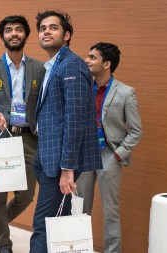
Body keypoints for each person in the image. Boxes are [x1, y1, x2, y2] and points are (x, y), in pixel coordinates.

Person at [30, 11, 103, 253]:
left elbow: (76, 119)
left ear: (67, 34)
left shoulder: (73, 65)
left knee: (43, 225)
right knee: (55, 222)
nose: (46, 32)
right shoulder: (51, 66)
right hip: (47, 156)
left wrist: (68, 168)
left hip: (60, 163)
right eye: (42, 28)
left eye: (53, 28)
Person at [0, 15, 45, 253]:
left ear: (25, 35)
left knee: (26, 196)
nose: (13, 34)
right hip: (2, 137)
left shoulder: (39, 68)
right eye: (8, 30)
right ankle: (4, 244)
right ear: (2, 36)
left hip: (29, 138)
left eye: (18, 30)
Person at [77, 42, 143, 253]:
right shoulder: (83, 88)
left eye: (92, 57)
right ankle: (79, 249)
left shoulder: (126, 92)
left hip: (109, 154)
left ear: (106, 64)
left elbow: (136, 131)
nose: (87, 60)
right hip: (85, 152)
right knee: (80, 208)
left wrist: (117, 154)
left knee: (110, 211)